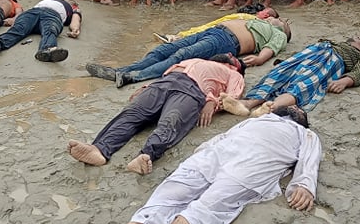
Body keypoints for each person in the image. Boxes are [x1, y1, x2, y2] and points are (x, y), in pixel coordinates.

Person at [79, 105, 321, 224]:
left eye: (300, 111)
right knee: (176, 186)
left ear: (301, 120)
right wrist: (203, 150)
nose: (296, 109)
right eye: (295, 108)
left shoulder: (306, 134)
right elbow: (225, 135)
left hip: (253, 165)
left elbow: (310, 162)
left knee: (210, 204)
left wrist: (303, 185)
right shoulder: (257, 120)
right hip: (220, 153)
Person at [68, 55, 246, 175]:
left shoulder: (234, 74)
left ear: (235, 66)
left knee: (170, 122)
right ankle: (99, 149)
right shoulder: (194, 60)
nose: (229, 55)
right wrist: (147, 86)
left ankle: (146, 156)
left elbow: (230, 99)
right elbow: (166, 73)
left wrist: (211, 101)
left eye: (233, 57)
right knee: (132, 113)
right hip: (163, 83)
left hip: (194, 91)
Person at [87, 17, 289, 88]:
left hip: (227, 41)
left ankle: (132, 76)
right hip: (215, 32)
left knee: (181, 55)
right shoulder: (260, 21)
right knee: (165, 49)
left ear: (283, 29)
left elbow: (267, 52)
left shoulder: (278, 34)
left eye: (283, 22)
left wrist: (257, 60)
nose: (281, 20)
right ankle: (121, 71)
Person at [226, 38, 360, 116]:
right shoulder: (335, 43)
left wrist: (345, 81)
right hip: (309, 54)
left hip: (330, 61)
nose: (359, 37)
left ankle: (271, 108)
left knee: (303, 84)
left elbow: (359, 72)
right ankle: (247, 104)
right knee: (277, 75)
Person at [0, 0, 81, 62]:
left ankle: (47, 50)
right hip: (34, 12)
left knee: (50, 29)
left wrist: (75, 29)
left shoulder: (73, 8)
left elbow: (76, 18)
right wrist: (14, 19)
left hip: (52, 14)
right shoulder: (50, 0)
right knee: (19, 28)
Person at [154, 7, 279, 43]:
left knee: (205, 29)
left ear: (267, 15)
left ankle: (177, 38)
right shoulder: (254, 20)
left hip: (224, 29)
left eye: (264, 11)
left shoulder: (253, 19)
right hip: (224, 26)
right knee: (205, 28)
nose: (260, 10)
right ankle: (178, 37)